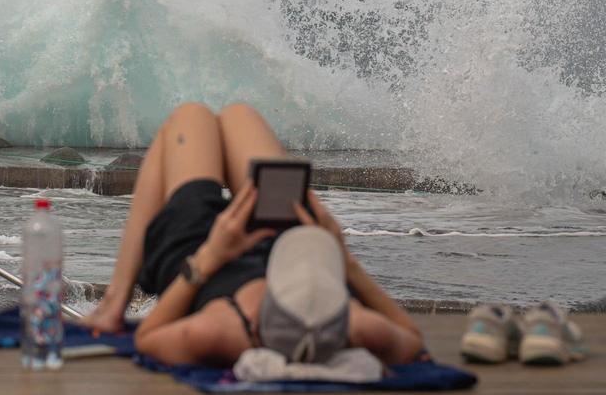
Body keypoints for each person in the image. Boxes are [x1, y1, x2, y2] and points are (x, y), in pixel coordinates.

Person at [82, 102, 424, 367]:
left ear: (259, 321)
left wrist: (210, 257)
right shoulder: (353, 327)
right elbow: (412, 338)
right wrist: (341, 257)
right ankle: (114, 302)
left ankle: (114, 303)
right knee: (239, 115)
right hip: (287, 244)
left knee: (189, 117)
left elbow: (148, 338)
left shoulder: (223, 331)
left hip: (203, 251)